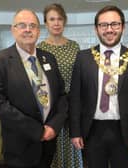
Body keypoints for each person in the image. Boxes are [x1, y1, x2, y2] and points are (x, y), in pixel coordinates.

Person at [0, 9, 68, 168]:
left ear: (38, 31)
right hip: (20, 146)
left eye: (32, 26)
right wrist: (38, 131)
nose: (28, 30)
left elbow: (61, 96)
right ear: (13, 29)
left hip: (48, 143)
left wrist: (53, 126)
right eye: (22, 25)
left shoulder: (49, 58)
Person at [69, 5, 128, 168]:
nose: (109, 29)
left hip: (123, 130)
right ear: (96, 29)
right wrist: (75, 132)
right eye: (103, 25)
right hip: (92, 130)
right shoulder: (83, 58)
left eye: (114, 24)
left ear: (123, 27)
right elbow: (75, 98)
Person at [37, 3, 83, 168]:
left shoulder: (74, 46)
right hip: (51, 107)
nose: (56, 23)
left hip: (73, 105)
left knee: (73, 143)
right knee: (51, 147)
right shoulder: (39, 49)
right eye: (52, 19)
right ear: (46, 23)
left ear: (65, 21)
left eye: (60, 19)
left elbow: (80, 77)